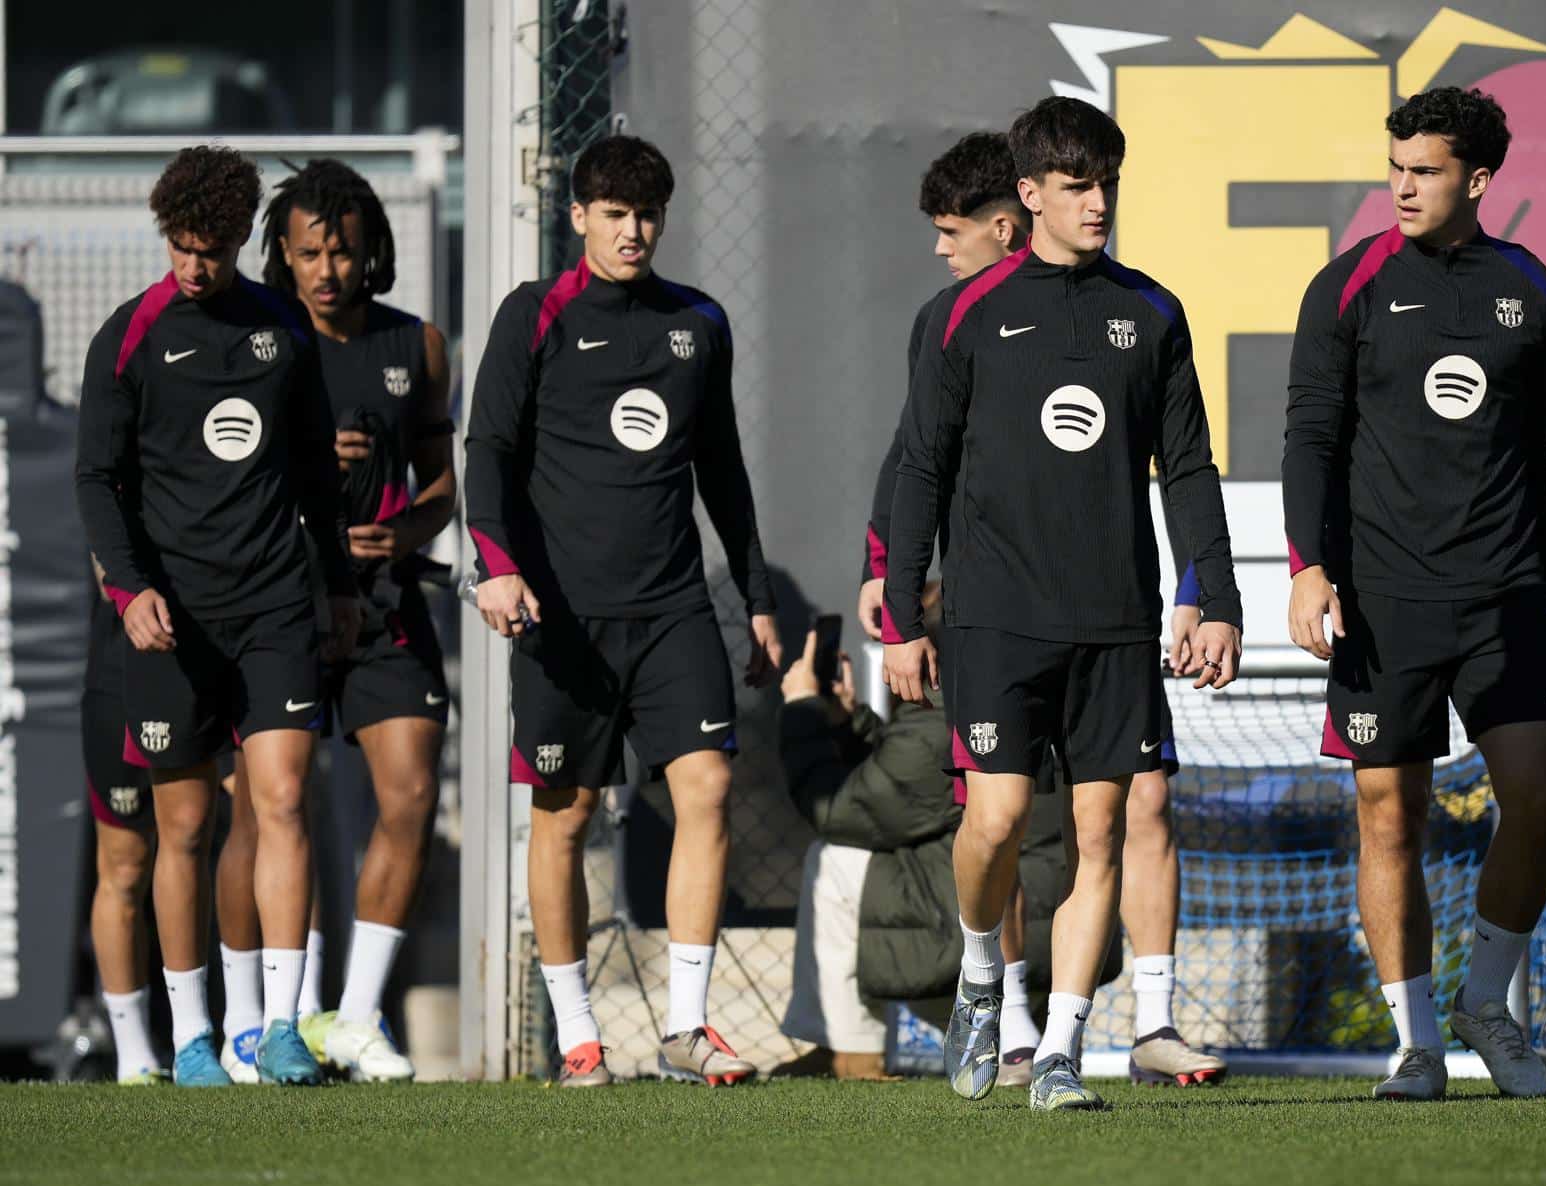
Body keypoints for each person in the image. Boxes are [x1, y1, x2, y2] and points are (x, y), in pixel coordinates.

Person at [884, 96, 1243, 1111]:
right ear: (1030, 194)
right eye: (1079, 185)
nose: (1099, 203)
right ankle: (979, 977)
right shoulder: (961, 315)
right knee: (993, 818)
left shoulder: (1153, 313)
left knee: (1101, 834)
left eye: (1109, 184)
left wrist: (1210, 595)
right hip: (996, 615)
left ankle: (1062, 1055)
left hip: (1117, 620)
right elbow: (921, 468)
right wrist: (903, 614)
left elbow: (1189, 469)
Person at [465, 135, 782, 1088]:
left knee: (708, 790)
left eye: (646, 215)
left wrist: (758, 596)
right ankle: (577, 1038)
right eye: (614, 214)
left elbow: (720, 468)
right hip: (561, 619)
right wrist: (495, 566)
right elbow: (486, 451)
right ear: (579, 217)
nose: (633, 231)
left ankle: (686, 1029)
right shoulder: (536, 317)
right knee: (562, 818)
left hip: (674, 607)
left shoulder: (697, 323)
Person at [1283, 86, 1546, 1101]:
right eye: (1395, 167)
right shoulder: (1350, 283)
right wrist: (1307, 567)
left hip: (1504, 599)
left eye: (1426, 170)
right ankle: (1415, 1042)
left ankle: (1483, 1000)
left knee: (1540, 794)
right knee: (1387, 816)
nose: (1402, 186)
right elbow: (1310, 437)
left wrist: (1538, 572)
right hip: (1383, 604)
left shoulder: (1535, 291)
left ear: (1479, 179)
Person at [74, 145, 361, 1087]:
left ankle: (282, 1027)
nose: (193, 265)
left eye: (211, 248)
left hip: (275, 604)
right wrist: (131, 588)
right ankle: (190, 1035)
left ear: (242, 238)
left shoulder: (281, 327)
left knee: (281, 799)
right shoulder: (131, 335)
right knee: (185, 827)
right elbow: (96, 479)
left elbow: (318, 470)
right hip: (172, 621)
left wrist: (339, 588)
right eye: (181, 246)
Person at [207, 159, 455, 1084]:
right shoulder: (257, 340)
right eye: (308, 251)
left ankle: (353, 1019)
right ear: (281, 251)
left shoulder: (418, 346)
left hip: (385, 605)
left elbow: (440, 492)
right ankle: (267, 1019)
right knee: (266, 807)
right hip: (280, 603)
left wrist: (401, 533)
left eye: (343, 252)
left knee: (412, 793)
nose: (326, 270)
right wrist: (305, 453)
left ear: (371, 253)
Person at [775, 585, 1097, 1080]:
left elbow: (846, 811)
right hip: (1051, 937)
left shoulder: (956, 702)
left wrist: (801, 709)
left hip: (1003, 952)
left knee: (836, 854)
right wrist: (848, 719)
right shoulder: (1016, 675)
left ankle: (850, 1048)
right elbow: (905, 786)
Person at [82, 565, 165, 1084]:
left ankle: (254, 1028)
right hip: (124, 671)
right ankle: (134, 1053)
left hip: (227, 659)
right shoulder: (106, 484)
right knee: (125, 865)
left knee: (269, 819)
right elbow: (105, 566)